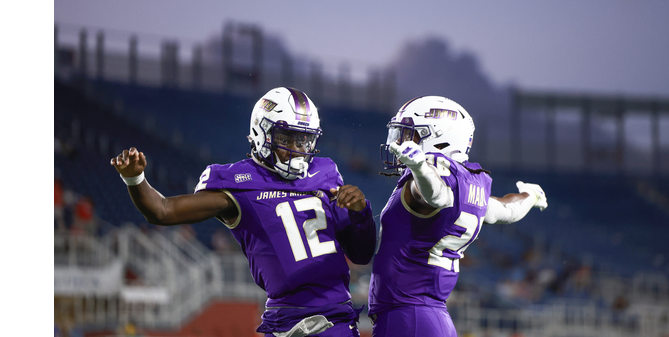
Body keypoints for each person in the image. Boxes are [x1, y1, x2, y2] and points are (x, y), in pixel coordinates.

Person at [111, 87, 377, 337]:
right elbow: (162, 211)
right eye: (287, 138)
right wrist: (135, 180)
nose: (297, 149)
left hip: (335, 317)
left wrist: (360, 212)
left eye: (304, 140)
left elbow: (361, 254)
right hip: (285, 321)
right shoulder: (239, 181)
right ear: (262, 133)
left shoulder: (325, 172)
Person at [368, 96, 548, 337]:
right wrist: (531, 195)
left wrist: (420, 167)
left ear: (439, 138)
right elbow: (506, 210)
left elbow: (437, 195)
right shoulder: (469, 183)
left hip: (407, 316)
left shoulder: (427, 180)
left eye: (410, 134)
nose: (399, 142)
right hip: (434, 317)